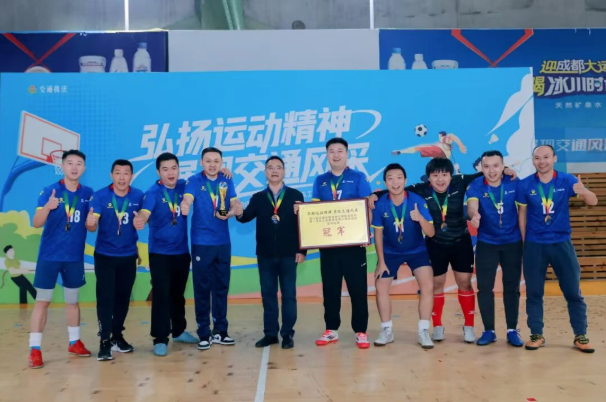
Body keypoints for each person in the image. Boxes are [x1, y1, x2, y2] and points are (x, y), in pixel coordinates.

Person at [370, 158, 517, 343]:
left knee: (464, 282)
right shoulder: (421, 189)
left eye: (444, 175)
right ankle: (437, 326)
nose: (440, 180)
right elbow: (397, 189)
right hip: (435, 242)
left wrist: (506, 169)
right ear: (428, 178)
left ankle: (469, 326)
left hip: (460, 241)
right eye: (435, 175)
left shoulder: (460, 181)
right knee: (436, 284)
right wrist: (374, 195)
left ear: (451, 176)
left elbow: (484, 173)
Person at [517, 145, 598, 353]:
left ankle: (580, 335)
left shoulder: (567, 180)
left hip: (562, 243)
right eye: (537, 158)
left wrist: (584, 191)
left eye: (546, 157)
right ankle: (536, 334)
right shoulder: (525, 184)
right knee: (534, 292)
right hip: (535, 244)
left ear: (554, 158)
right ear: (533, 161)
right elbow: (522, 215)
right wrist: (525, 243)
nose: (541, 161)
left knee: (572, 291)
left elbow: (593, 202)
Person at [296, 137, 372, 349]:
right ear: (327, 155)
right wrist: (302, 211)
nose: (336, 155)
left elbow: (366, 207)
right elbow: (315, 211)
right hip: (328, 246)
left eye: (340, 151)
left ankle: (361, 331)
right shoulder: (320, 180)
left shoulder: (358, 177)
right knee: (330, 289)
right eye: (331, 151)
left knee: (358, 289)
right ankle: (331, 329)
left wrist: (366, 233)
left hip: (354, 245)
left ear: (347, 154)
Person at [27, 150, 94, 369]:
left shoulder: (88, 193)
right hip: (50, 256)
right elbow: (36, 222)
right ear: (62, 167)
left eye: (79, 163)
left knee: (72, 301)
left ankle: (74, 342)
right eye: (70, 163)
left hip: (74, 257)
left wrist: (92, 222)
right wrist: (48, 207)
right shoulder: (50, 191)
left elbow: (91, 227)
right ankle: (35, 349)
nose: (74, 167)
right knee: (43, 301)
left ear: (84, 168)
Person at [235, 156, 306, 349]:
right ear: (265, 172)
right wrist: (239, 212)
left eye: (278, 167)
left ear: (284, 171)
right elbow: (245, 217)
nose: (274, 171)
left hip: (289, 254)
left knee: (289, 295)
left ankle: (287, 334)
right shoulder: (258, 197)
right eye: (270, 168)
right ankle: (270, 334)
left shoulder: (295, 195)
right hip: (265, 255)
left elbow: (304, 224)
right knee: (268, 295)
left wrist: (302, 250)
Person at [133, 152, 199, 357]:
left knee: (178, 295)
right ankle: (160, 338)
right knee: (161, 296)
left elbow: (203, 178)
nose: (170, 173)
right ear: (158, 172)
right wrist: (141, 219)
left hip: (182, 252)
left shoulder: (184, 186)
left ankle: (178, 331)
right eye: (165, 169)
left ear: (179, 169)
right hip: (160, 254)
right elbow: (145, 212)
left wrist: (223, 171)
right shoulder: (152, 193)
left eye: (174, 168)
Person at [371, 163, 436, 349]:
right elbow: (377, 235)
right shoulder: (380, 204)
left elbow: (431, 233)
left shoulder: (417, 201)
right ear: (385, 182)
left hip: (416, 250)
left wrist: (420, 218)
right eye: (390, 178)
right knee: (380, 285)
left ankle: (424, 331)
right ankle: (387, 330)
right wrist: (381, 261)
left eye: (399, 178)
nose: (395, 182)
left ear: (405, 180)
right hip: (390, 251)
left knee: (428, 285)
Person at [86, 159, 144, 361]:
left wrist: (141, 221)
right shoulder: (100, 196)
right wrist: (90, 223)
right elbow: (92, 226)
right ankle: (104, 341)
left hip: (128, 256)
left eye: (126, 173)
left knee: (123, 298)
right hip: (105, 256)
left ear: (131, 176)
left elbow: (144, 217)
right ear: (111, 175)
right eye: (118, 173)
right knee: (105, 298)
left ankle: (117, 336)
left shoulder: (138, 195)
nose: (122, 177)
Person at [181, 147, 238, 350]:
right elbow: (188, 198)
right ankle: (204, 333)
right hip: (202, 242)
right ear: (201, 163)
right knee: (202, 288)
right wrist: (185, 205)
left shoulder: (226, 180)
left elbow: (234, 203)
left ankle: (221, 331)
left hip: (223, 242)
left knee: (221, 287)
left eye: (216, 161)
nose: (212, 164)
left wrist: (233, 212)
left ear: (221, 163)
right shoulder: (194, 181)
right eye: (208, 161)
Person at [466, 151, 524, 347]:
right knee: (484, 288)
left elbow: (524, 207)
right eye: (487, 166)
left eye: (496, 166)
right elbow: (472, 205)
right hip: (487, 243)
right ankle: (489, 330)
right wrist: (474, 215)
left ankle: (512, 330)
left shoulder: (513, 182)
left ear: (503, 166)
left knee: (511, 287)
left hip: (512, 242)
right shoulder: (475, 185)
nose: (491, 171)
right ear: (481, 168)